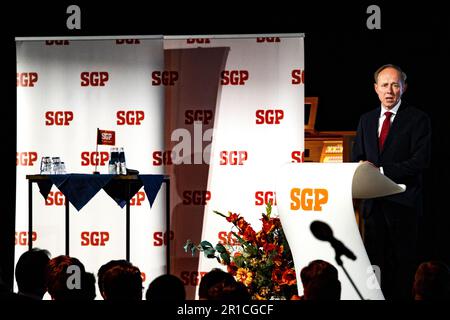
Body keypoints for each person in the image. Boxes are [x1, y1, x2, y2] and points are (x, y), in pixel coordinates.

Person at [352, 64, 432, 300]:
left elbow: (420, 161)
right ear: (376, 89)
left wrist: (382, 171)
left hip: (403, 207)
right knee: (374, 270)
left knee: (402, 270)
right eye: (385, 85)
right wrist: (363, 170)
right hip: (372, 209)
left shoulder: (418, 119)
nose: (390, 90)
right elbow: (357, 156)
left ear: (403, 88)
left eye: (395, 85)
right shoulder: (366, 120)